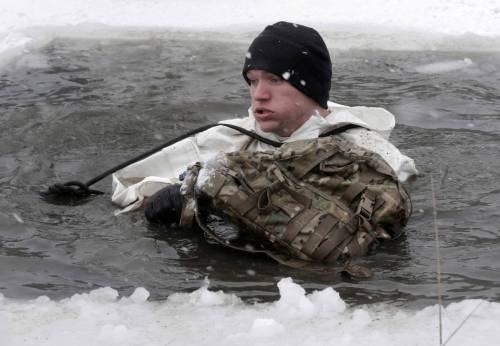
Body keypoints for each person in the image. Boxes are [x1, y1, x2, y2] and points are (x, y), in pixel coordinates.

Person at [111, 21, 417, 225]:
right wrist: (172, 197)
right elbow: (127, 185)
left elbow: (392, 199)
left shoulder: (362, 147)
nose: (260, 95)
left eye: (273, 80)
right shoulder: (229, 136)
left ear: (309, 87)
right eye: (253, 81)